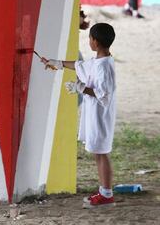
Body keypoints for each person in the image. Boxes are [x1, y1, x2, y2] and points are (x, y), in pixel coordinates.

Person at [42, 22, 116, 208]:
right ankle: (103, 191)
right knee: (98, 152)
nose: (89, 41)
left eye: (90, 38)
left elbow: (104, 94)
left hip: (101, 116)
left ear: (95, 42)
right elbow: (80, 66)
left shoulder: (104, 67)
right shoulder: (98, 61)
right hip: (94, 115)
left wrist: (80, 87)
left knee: (102, 152)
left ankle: (107, 194)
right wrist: (56, 63)